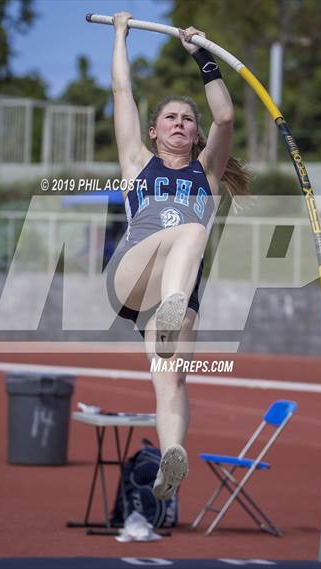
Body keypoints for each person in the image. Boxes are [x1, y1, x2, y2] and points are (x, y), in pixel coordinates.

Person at [106, 12, 249, 501]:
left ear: (195, 135)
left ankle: (171, 459)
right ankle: (169, 308)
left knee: (170, 381)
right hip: (133, 275)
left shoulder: (206, 176)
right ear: (153, 131)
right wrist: (120, 35)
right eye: (171, 116)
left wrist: (204, 59)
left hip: (178, 298)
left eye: (188, 119)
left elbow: (226, 118)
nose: (181, 123)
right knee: (188, 227)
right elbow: (122, 95)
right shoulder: (136, 164)